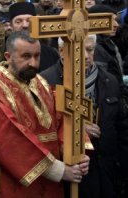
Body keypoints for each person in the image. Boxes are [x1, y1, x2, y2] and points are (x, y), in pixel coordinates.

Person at [0, 31, 90, 198]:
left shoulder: (40, 82)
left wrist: (75, 154)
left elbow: (62, 120)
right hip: (13, 182)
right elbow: (6, 140)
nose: (33, 63)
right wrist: (59, 170)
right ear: (8, 56)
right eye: (26, 56)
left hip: (50, 182)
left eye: (37, 56)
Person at [41, 35, 128, 198]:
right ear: (61, 51)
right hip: (70, 177)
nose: (87, 56)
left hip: (107, 173)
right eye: (79, 50)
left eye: (90, 49)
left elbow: (122, 129)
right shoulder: (45, 82)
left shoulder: (109, 80)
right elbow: (41, 132)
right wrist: (76, 126)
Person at [8, 1, 60, 71]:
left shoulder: (50, 54)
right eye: (18, 21)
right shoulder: (4, 52)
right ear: (11, 26)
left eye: (29, 21)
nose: (25, 25)